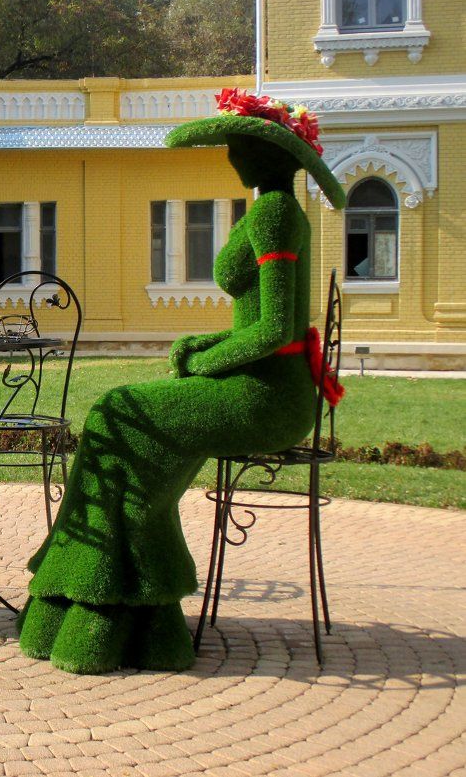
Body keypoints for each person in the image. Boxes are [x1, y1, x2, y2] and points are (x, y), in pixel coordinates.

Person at [17, 91, 346, 673]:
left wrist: (201, 363)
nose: (232, 155)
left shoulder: (273, 213)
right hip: (259, 383)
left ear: (275, 154)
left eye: (240, 144)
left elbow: (275, 329)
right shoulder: (278, 210)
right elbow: (265, 325)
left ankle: (99, 601)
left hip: (265, 397)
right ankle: (129, 614)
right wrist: (205, 343)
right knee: (129, 451)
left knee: (116, 412)